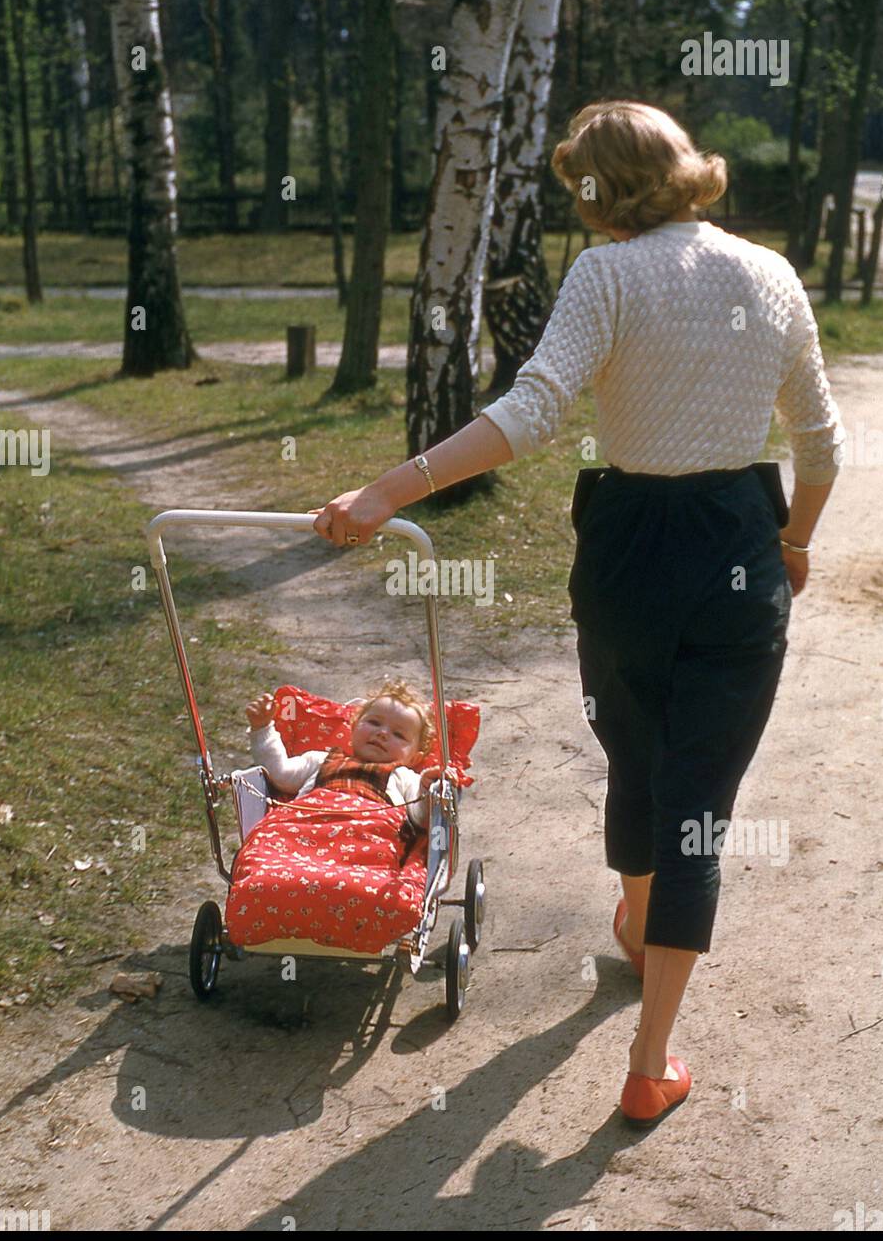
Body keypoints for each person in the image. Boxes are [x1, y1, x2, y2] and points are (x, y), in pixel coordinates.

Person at [303, 99, 845, 1127]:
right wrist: (796, 543)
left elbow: (530, 412)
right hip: (737, 546)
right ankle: (649, 1056)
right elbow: (820, 442)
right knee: (698, 801)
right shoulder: (770, 274)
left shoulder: (606, 274)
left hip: (625, 552)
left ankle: (639, 924)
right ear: (683, 164)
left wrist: (384, 491)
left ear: (598, 191)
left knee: (635, 758)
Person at [245, 678, 449, 832]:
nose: (382, 733)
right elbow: (280, 774)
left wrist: (427, 789)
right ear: (353, 727)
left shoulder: (405, 778)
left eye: (399, 735)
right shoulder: (320, 759)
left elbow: (421, 818)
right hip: (304, 828)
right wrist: (262, 728)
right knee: (264, 849)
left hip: (368, 838)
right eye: (374, 723)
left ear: (414, 758)